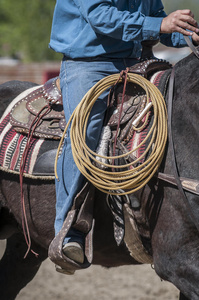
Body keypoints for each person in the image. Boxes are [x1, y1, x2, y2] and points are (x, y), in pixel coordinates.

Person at [49, 1, 199, 266]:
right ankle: (69, 229)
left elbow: (157, 21)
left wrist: (185, 32)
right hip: (90, 64)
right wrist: (159, 24)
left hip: (138, 63)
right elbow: (99, 16)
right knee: (84, 133)